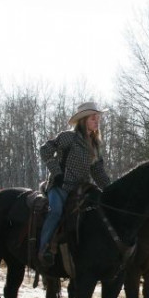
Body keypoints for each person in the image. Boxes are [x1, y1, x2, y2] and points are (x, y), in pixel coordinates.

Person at [38, 102, 111, 267]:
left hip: (82, 190)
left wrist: (110, 189)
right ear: (84, 120)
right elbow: (45, 150)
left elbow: (98, 171)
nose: (97, 121)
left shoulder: (95, 145)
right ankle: (44, 249)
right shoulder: (68, 137)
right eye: (93, 118)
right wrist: (56, 173)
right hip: (61, 187)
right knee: (55, 212)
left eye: (98, 118)